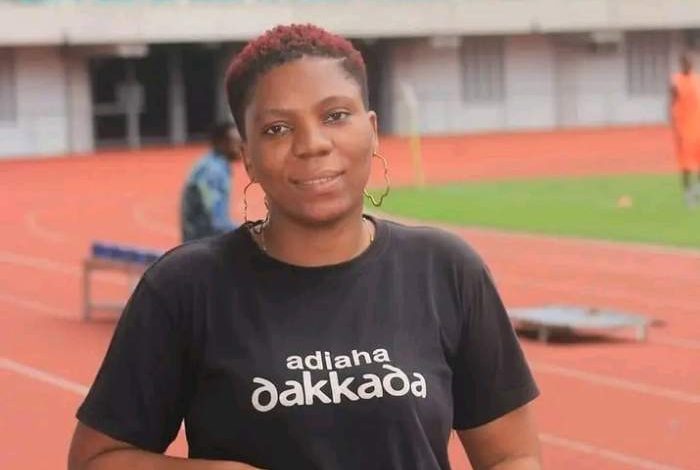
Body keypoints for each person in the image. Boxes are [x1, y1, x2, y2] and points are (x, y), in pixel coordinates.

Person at [68, 24, 541, 470]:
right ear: (247, 155)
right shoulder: (185, 287)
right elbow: (96, 459)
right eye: (277, 128)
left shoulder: (446, 270)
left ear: (372, 130)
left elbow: (512, 456)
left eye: (335, 116)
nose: (312, 144)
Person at [180, 122, 242, 242]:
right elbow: (217, 222)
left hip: (198, 242)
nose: (241, 147)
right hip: (203, 245)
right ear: (221, 143)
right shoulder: (214, 172)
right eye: (236, 142)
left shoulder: (209, 163)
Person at [670, 53, 700, 207]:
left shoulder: (697, 79)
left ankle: (697, 191)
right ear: (681, 64)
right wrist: (675, 129)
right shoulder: (676, 82)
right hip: (684, 131)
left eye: (691, 62)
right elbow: (671, 105)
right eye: (686, 62)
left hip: (698, 128)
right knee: (686, 166)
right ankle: (688, 196)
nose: (689, 65)